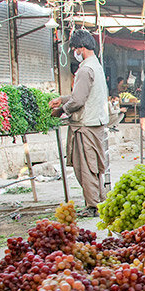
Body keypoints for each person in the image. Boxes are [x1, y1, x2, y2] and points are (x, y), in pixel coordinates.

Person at [48, 29, 109, 217]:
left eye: (74, 48)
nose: (74, 52)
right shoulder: (96, 66)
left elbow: (79, 100)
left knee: (85, 166)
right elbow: (81, 95)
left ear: (81, 48)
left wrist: (61, 110)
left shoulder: (85, 69)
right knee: (95, 165)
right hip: (95, 122)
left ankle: (93, 205)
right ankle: (99, 201)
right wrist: (63, 98)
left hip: (85, 125)